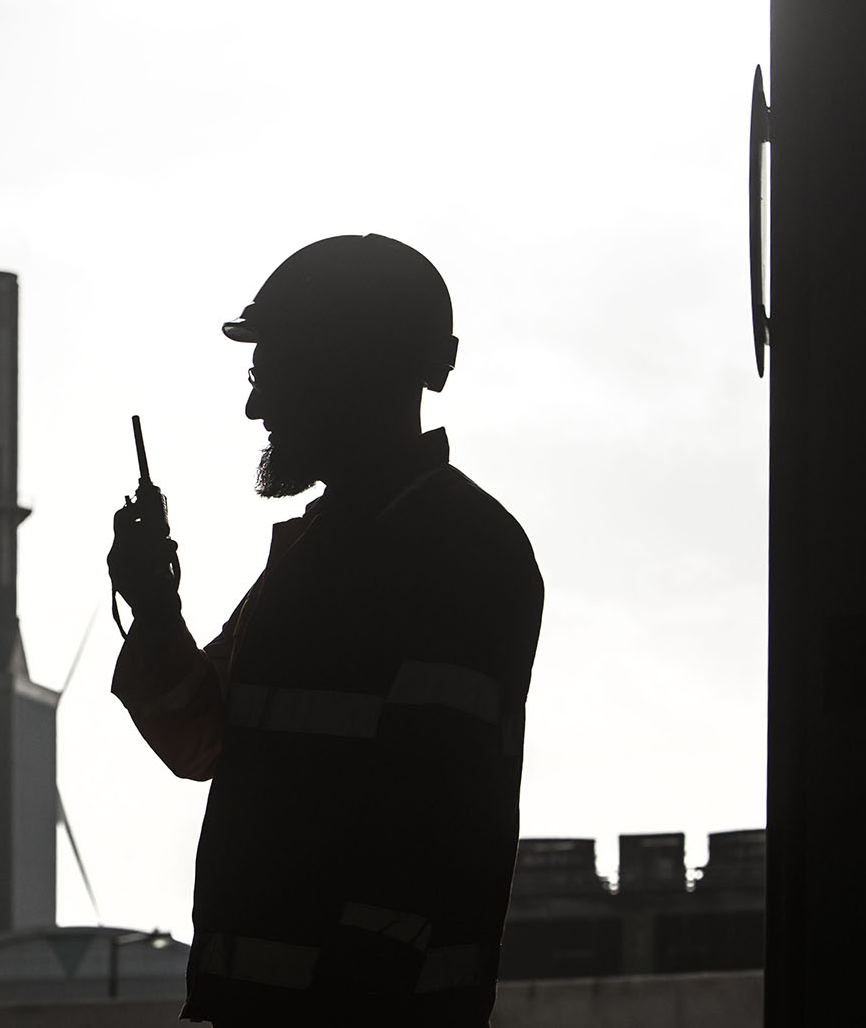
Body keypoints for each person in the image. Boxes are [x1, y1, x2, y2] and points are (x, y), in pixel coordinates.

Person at [108, 234, 544, 1026]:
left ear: (345, 368)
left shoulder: (459, 553)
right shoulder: (319, 558)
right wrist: (154, 608)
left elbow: (428, 834)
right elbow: (200, 739)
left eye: (269, 374)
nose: (255, 406)